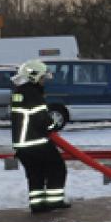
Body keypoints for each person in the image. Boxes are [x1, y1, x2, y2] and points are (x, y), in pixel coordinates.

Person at [10, 59, 69, 213]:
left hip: (22, 145)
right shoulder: (32, 94)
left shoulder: (19, 92)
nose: (44, 81)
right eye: (42, 77)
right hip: (36, 142)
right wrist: (52, 126)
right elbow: (41, 118)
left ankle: (37, 205)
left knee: (36, 174)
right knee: (57, 168)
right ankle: (54, 201)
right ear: (33, 76)